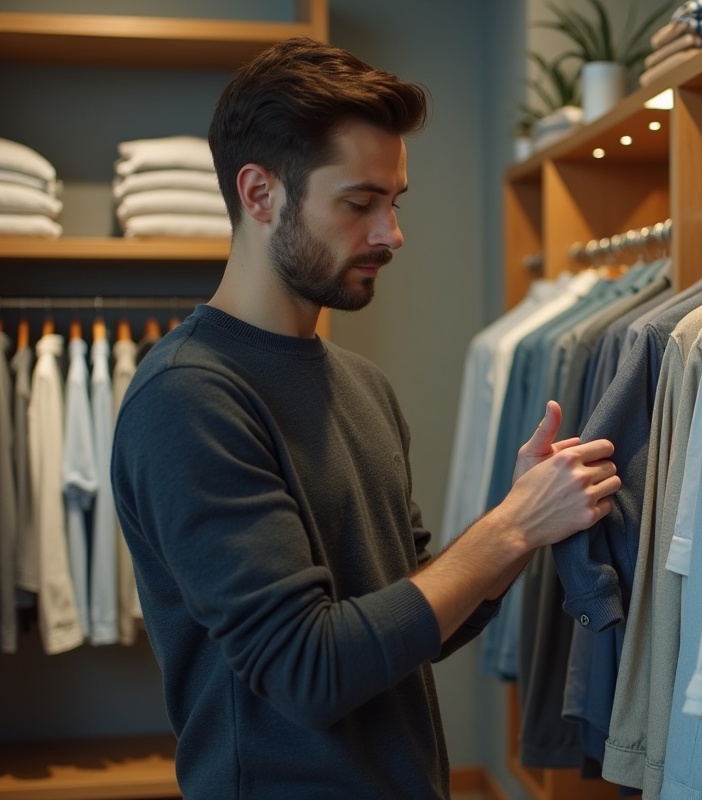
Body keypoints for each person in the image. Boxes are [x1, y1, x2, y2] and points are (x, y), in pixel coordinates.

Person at [111, 37, 620, 799]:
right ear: (259, 195)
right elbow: (309, 670)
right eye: (359, 204)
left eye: (394, 201)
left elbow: (416, 613)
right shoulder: (188, 398)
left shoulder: (361, 385)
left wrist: (527, 524)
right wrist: (509, 527)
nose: (392, 234)